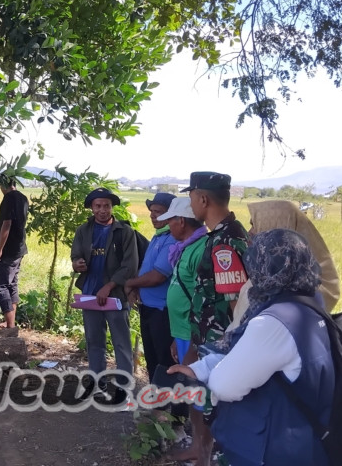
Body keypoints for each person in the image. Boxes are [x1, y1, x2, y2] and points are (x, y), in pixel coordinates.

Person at [169, 229, 334, 466]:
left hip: (274, 449)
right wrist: (201, 368)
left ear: (263, 266)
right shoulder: (310, 303)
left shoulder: (274, 321)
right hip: (304, 439)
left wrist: (210, 375)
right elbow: (256, 356)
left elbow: (225, 386)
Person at [184, 171, 250, 466]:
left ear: (203, 199)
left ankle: (211, 459)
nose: (190, 205)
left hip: (220, 344)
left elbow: (237, 305)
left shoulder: (225, 242)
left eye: (191, 198)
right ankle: (203, 455)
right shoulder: (223, 235)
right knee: (205, 403)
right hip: (209, 341)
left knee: (217, 410)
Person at [226, 199, 341, 330]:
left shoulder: (291, 293)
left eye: (254, 225)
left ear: (275, 225)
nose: (250, 232)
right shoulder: (270, 276)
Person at [156, 197, 209, 459]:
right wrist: (176, 338)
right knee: (192, 392)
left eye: (170, 222)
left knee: (199, 394)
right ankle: (197, 445)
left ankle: (202, 451)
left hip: (194, 338)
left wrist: (194, 346)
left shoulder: (200, 249)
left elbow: (204, 302)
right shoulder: (186, 247)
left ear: (181, 221)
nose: (168, 227)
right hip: (183, 334)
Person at [71, 187, 139, 377]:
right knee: (94, 341)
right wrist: (77, 264)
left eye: (106, 206)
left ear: (112, 207)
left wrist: (109, 286)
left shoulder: (124, 232)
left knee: (121, 342)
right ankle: (97, 381)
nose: (102, 210)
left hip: (116, 296)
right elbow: (75, 255)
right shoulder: (83, 231)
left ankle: (124, 384)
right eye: (98, 206)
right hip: (90, 294)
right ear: (91, 208)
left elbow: (130, 266)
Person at [123, 192, 178, 381]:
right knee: (153, 359)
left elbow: (157, 276)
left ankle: (165, 398)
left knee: (164, 361)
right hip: (148, 307)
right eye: (152, 211)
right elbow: (147, 269)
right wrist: (137, 287)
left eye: (159, 212)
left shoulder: (172, 239)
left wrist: (130, 283)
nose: (153, 216)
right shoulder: (158, 236)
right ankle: (156, 396)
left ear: (171, 215)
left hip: (161, 311)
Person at [0, 173, 29, 330]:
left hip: (9, 250)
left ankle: (10, 325)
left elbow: (6, 224)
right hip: (19, 248)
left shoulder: (8, 199)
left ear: (2, 185)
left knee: (0, 285)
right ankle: (10, 322)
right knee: (12, 283)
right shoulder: (23, 198)